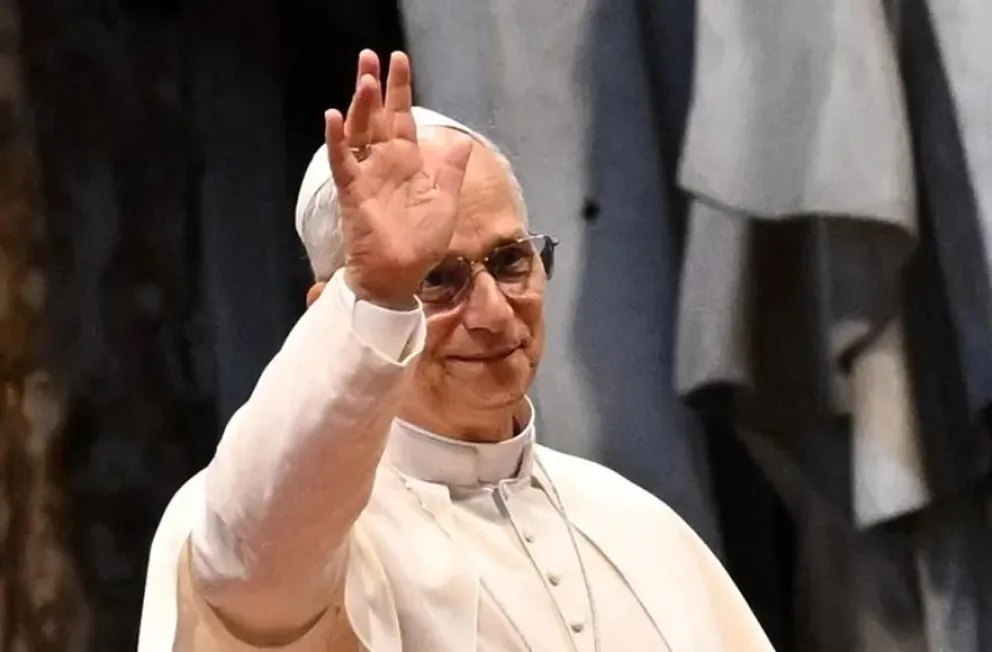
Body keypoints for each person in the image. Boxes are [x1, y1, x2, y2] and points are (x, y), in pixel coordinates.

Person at [138, 49, 775, 652]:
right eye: (436, 280)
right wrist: (379, 290)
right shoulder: (281, 531)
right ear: (335, 311)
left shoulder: (636, 524)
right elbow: (254, 551)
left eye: (511, 260)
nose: (494, 313)